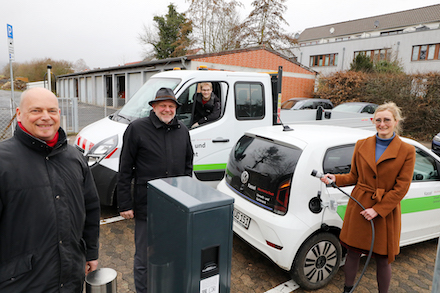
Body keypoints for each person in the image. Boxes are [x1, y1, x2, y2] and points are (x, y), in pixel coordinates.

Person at [0, 87, 100, 292]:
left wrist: (91, 252)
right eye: (36, 110)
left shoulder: (75, 158)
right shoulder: (3, 161)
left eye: (52, 111)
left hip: (71, 279)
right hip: (21, 284)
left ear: (59, 114)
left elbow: (90, 208)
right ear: (19, 114)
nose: (46, 117)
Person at [321, 102, 415, 293]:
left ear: (395, 122)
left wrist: (378, 210)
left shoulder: (407, 151)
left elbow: (401, 188)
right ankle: (347, 289)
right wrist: (336, 178)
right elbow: (354, 176)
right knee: (353, 253)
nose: (382, 124)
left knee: (382, 258)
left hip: (385, 213)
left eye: (387, 120)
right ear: (373, 121)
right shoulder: (361, 144)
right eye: (378, 120)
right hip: (359, 206)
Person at [117, 87, 194, 293]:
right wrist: (124, 203)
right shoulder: (137, 129)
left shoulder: (183, 131)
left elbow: (188, 166)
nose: (167, 110)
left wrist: (186, 198)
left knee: (174, 252)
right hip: (147, 206)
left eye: (171, 106)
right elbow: (125, 168)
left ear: (176, 108)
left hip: (175, 207)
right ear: (154, 107)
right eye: (163, 106)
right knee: (144, 256)